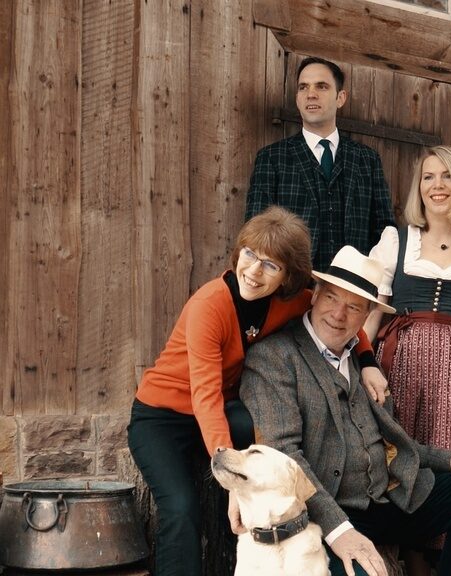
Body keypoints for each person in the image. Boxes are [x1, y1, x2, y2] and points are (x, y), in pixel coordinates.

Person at [127, 207, 385, 576]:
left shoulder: (290, 302)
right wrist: (230, 478)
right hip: (162, 416)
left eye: (271, 265)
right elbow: (205, 393)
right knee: (181, 508)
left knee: (262, 435)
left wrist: (368, 359)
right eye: (249, 254)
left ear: (288, 276)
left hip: (224, 407)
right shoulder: (209, 305)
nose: (253, 271)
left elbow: (345, 316)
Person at [239, 245, 451, 576]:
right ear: (314, 296)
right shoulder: (274, 358)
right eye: (332, 299)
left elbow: (394, 445)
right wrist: (340, 532)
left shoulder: (363, 364)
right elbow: (286, 458)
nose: (339, 314)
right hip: (325, 514)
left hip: (388, 502)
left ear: (366, 316)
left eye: (353, 307)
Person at [364, 145, 451, 573]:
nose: (437, 185)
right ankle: (408, 558)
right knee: (406, 455)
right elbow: (371, 312)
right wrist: (365, 360)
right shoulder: (396, 240)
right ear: (418, 186)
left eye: (446, 176)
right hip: (403, 362)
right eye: (428, 177)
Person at [245, 56, 396, 272]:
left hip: (352, 290)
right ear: (297, 99)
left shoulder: (367, 159)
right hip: (292, 289)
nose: (311, 94)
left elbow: (385, 232)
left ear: (340, 98)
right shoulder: (272, 158)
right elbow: (256, 233)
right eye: (303, 87)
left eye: (322, 86)